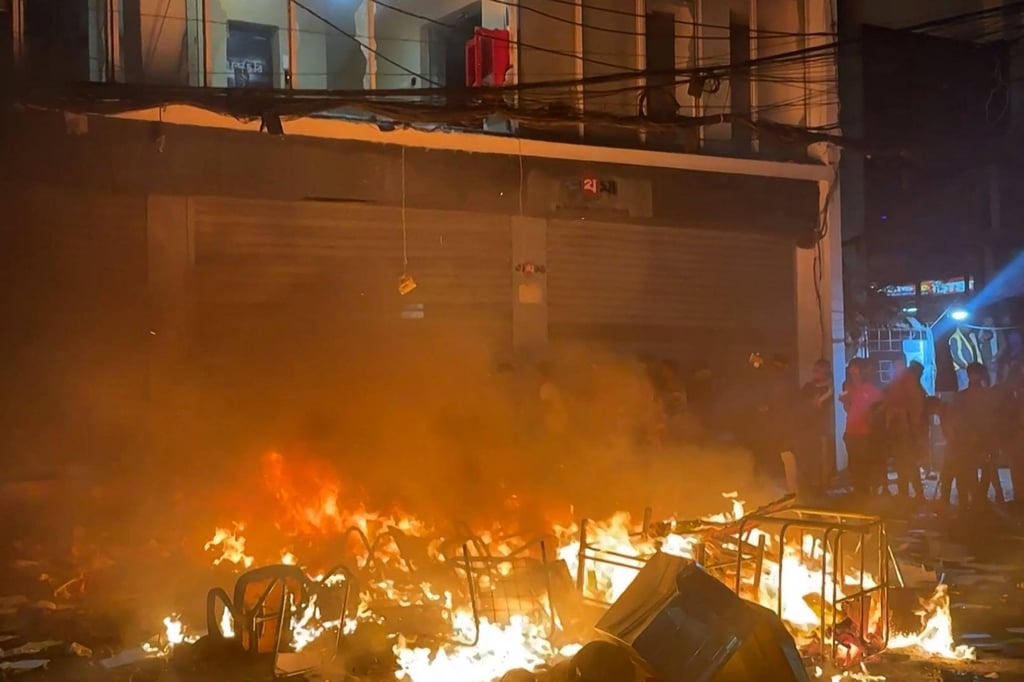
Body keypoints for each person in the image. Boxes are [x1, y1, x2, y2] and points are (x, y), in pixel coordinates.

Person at [947, 363, 998, 509]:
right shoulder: (985, 396)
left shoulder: (963, 396)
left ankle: (973, 501)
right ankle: (976, 500)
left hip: (974, 440)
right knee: (982, 470)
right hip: (974, 440)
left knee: (976, 470)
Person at [881, 361, 927, 502]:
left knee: (908, 464)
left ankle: (913, 494)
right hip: (903, 432)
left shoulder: (913, 388)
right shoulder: (910, 387)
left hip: (907, 432)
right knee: (903, 464)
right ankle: (907, 493)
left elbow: (915, 413)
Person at [840, 358, 883, 502]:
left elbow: (881, 407)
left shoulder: (871, 389)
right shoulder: (848, 387)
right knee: (854, 464)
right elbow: (848, 408)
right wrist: (846, 402)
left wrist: (872, 418)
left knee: (865, 464)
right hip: (851, 432)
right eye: (851, 371)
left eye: (856, 371)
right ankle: (858, 491)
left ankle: (866, 492)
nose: (854, 374)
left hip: (865, 433)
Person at [800, 359, 835, 494]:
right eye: (814, 370)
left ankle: (822, 485)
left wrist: (816, 403)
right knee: (809, 457)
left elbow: (821, 405)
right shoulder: (808, 387)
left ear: (826, 372)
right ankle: (811, 483)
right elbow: (801, 403)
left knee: (823, 457)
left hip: (822, 428)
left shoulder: (830, 388)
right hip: (807, 427)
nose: (815, 373)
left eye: (818, 371)